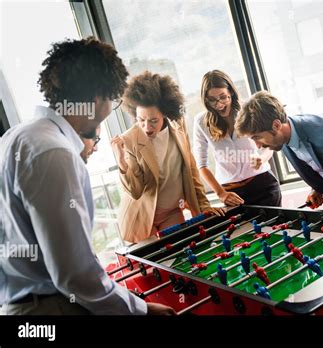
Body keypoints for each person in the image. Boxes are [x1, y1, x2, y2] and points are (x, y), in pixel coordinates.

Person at [0, 37, 174, 315]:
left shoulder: (16, 137)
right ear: (97, 98)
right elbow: (75, 275)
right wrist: (141, 311)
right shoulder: (55, 151)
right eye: (113, 98)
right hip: (50, 308)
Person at [111, 71, 224, 243]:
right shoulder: (129, 139)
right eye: (141, 120)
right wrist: (121, 161)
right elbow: (136, 191)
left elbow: (191, 170)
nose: (147, 127)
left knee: (181, 255)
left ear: (164, 113)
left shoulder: (178, 127)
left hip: (172, 211)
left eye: (153, 120)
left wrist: (204, 205)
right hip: (141, 216)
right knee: (154, 265)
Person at [193, 70, 281, 207]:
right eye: (212, 100)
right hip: (230, 193)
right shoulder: (200, 122)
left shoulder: (248, 111)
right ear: (206, 100)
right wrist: (220, 193)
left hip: (263, 184)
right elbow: (202, 165)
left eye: (223, 97)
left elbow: (269, 144)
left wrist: (261, 159)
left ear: (231, 93)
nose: (219, 104)